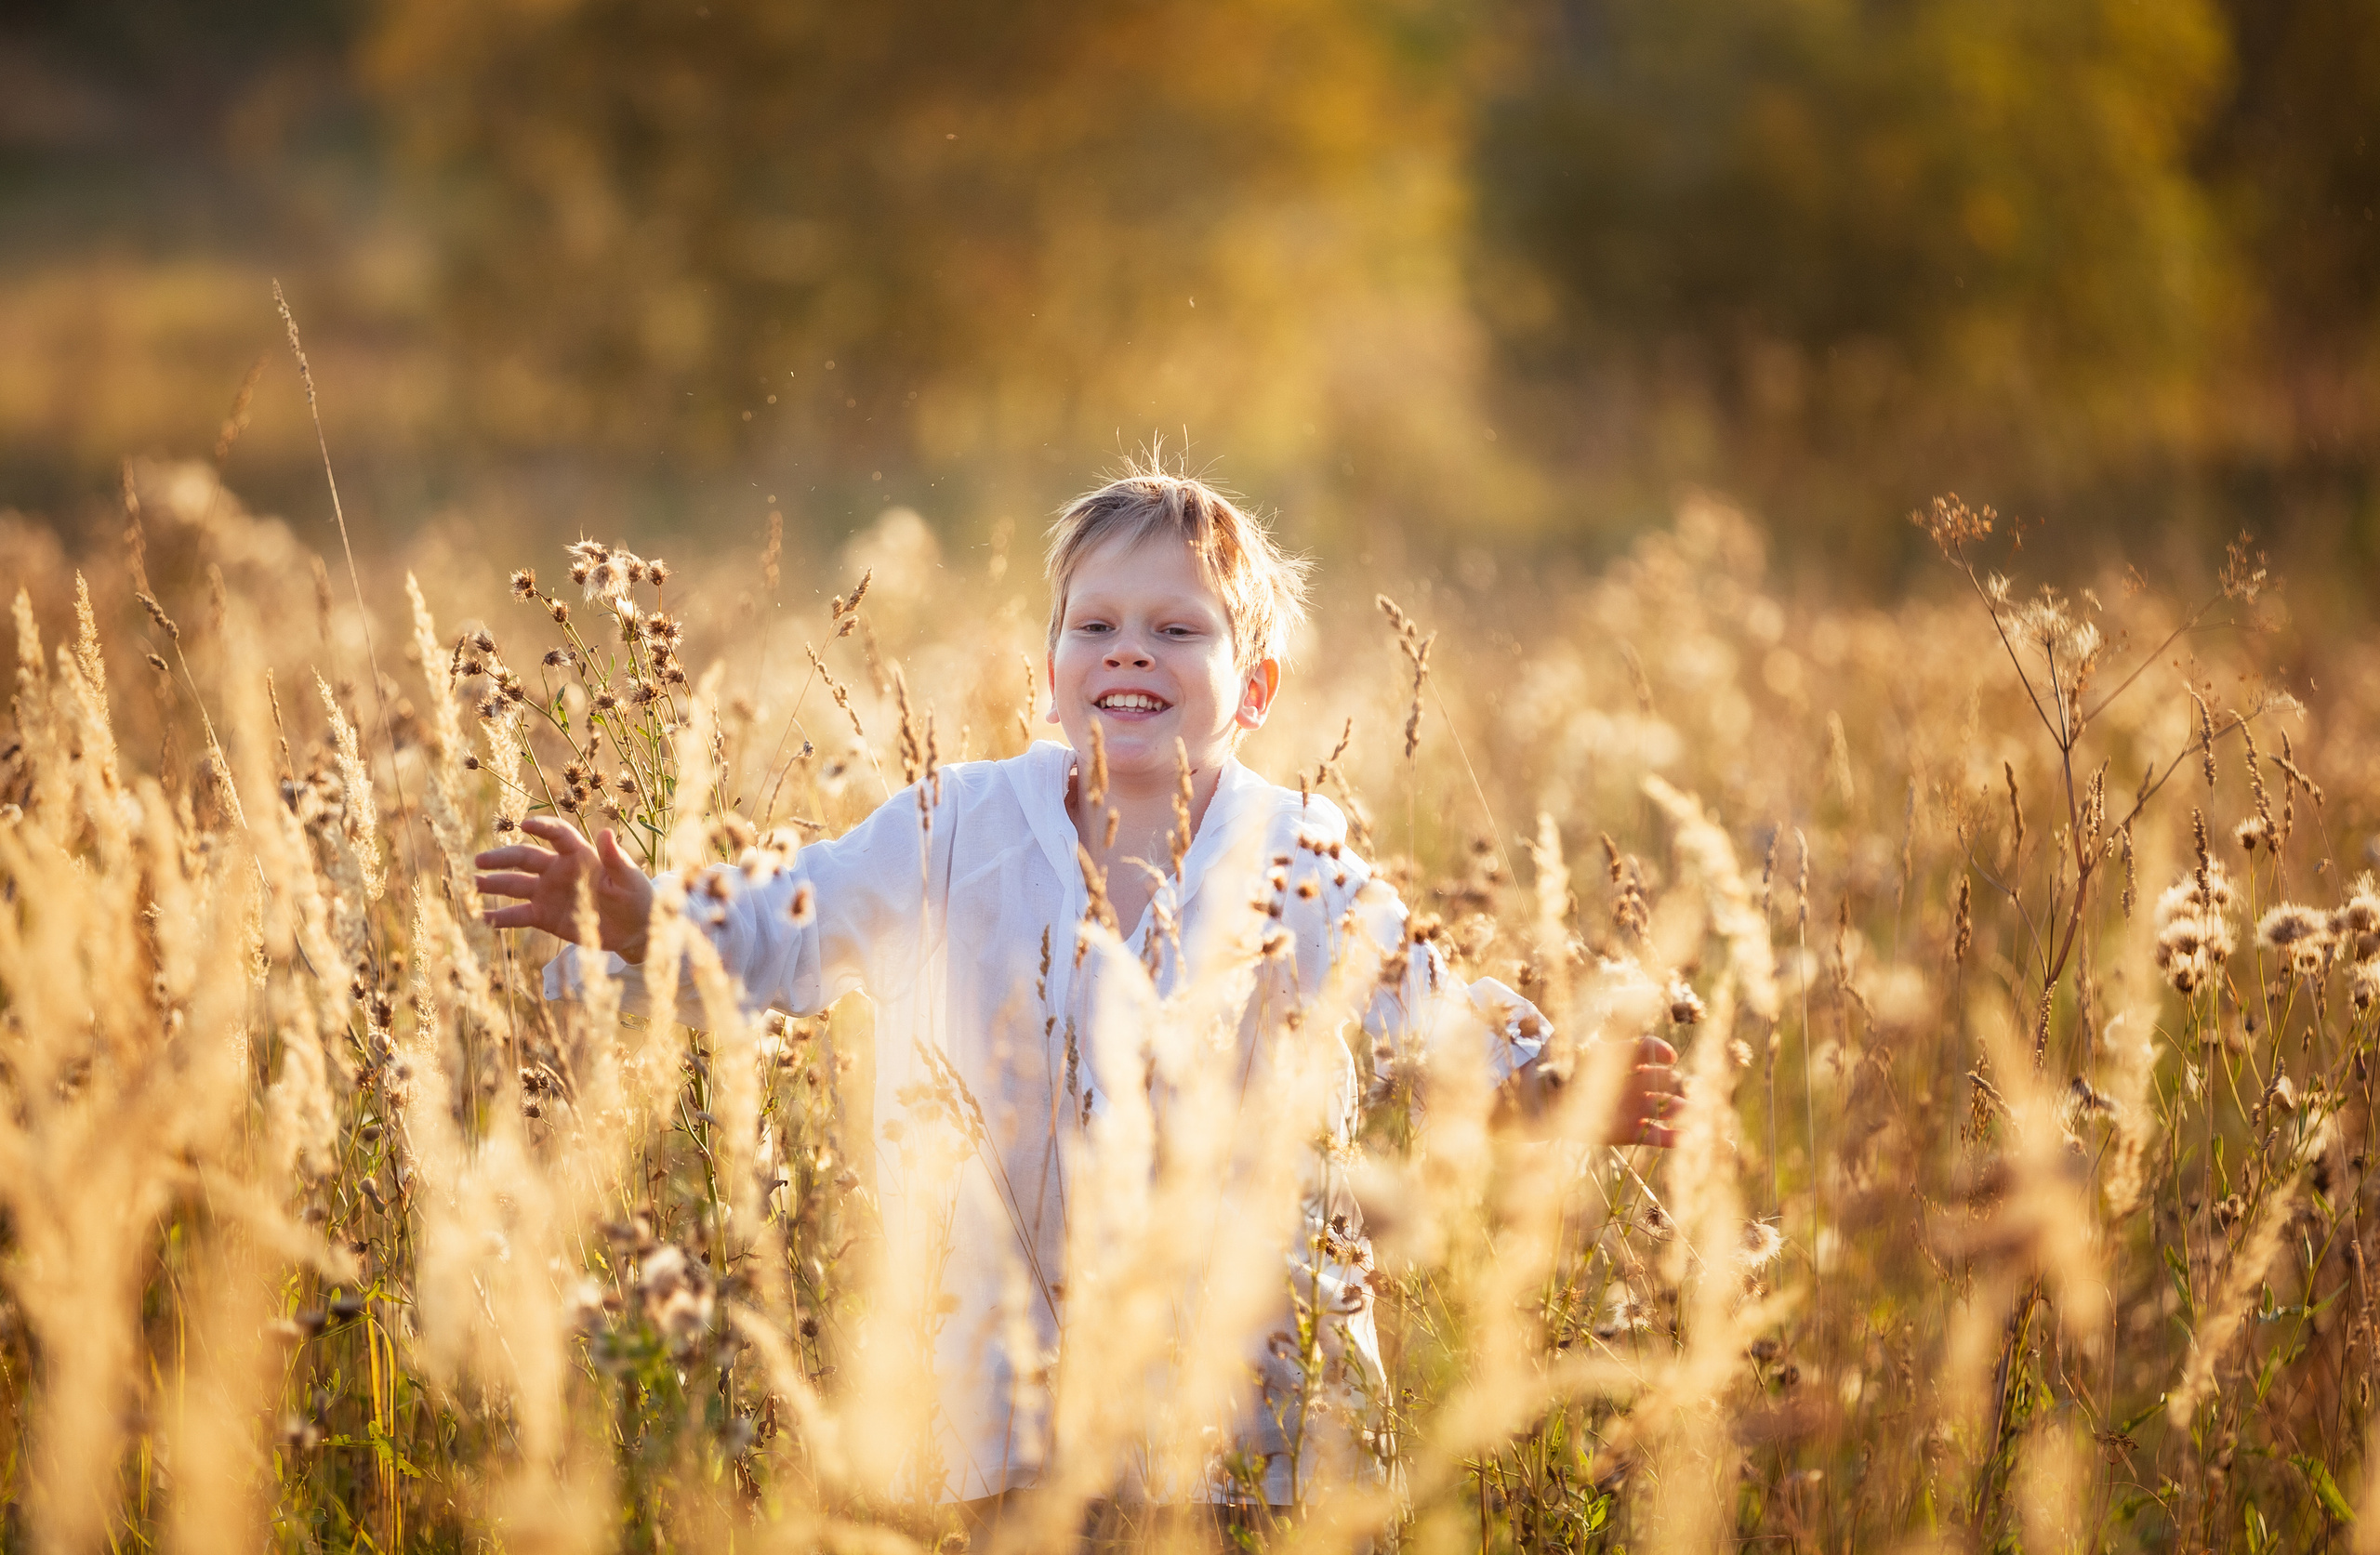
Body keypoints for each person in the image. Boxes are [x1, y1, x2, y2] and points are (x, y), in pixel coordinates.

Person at [473, 464, 1682, 1517]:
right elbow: (800, 918)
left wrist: (1556, 1090)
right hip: (1013, 1399)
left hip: (1255, 1415)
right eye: (1095, 624)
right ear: (1048, 676)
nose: (1131, 650)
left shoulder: (1298, 857)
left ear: (1256, 688)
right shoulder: (958, 827)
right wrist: (644, 918)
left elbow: (1424, 1013)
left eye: (1178, 629)